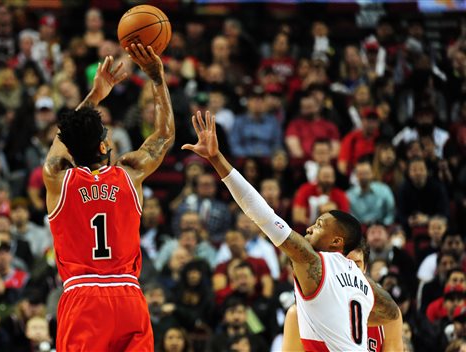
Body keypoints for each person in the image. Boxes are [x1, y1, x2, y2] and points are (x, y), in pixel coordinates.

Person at [182, 111, 402, 351]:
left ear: (336, 242)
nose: (309, 228)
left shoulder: (315, 263)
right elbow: (392, 313)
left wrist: (216, 159)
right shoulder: (364, 282)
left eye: (318, 226)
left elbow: (261, 214)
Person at [42, 44, 175, 351]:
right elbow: (165, 135)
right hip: (127, 295)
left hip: (82, 297)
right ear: (103, 147)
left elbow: (66, 136)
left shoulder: (57, 178)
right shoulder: (130, 173)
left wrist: (95, 96)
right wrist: (157, 78)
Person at [281, 241, 403, 352]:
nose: (348, 272)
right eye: (339, 265)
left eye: (355, 265)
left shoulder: (388, 315)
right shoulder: (298, 315)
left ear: (365, 269)